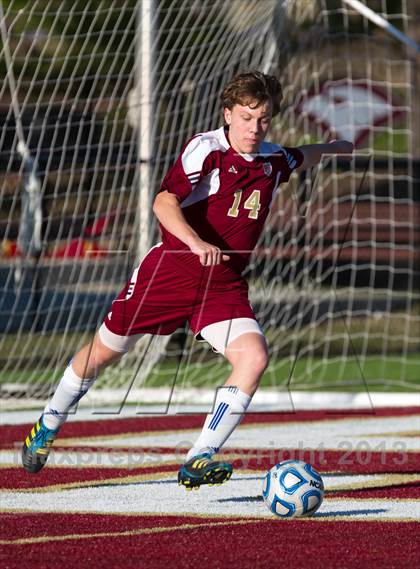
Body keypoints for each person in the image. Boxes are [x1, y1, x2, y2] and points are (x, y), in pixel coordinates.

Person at [22, 71, 353, 488]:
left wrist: (338, 146)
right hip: (170, 273)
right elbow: (163, 202)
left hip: (222, 285)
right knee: (104, 354)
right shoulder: (207, 149)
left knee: (253, 359)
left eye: (263, 119)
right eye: (247, 118)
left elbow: (303, 154)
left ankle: (200, 457)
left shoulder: (272, 159)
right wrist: (195, 242)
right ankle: (49, 422)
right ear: (228, 114)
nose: (254, 128)